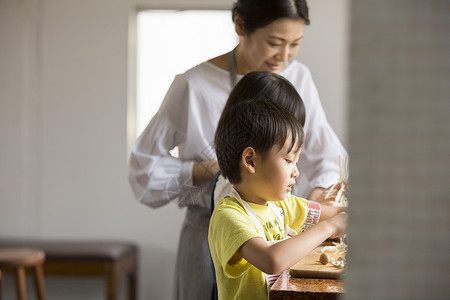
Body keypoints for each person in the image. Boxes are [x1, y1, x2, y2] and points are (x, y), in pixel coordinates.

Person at [128, 0, 347, 299]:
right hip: (207, 235)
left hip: (276, 218)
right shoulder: (193, 85)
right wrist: (213, 168)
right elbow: (143, 170)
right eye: (274, 42)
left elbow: (326, 157)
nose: (284, 57)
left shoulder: (298, 77)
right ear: (240, 25)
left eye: (294, 44)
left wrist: (319, 203)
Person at [210, 98, 347, 299]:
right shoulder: (229, 217)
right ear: (251, 161)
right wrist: (330, 228)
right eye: (289, 160)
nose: (296, 172)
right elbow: (271, 259)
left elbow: (333, 213)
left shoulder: (279, 204)